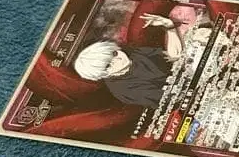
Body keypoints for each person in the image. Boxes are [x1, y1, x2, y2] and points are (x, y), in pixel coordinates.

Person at [72, 13, 214, 109]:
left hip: (192, 72)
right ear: (102, 75)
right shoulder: (124, 90)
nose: (118, 58)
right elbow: (174, 98)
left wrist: (169, 27)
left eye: (114, 53)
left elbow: (174, 56)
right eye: (109, 65)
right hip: (194, 96)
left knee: (198, 36)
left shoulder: (132, 54)